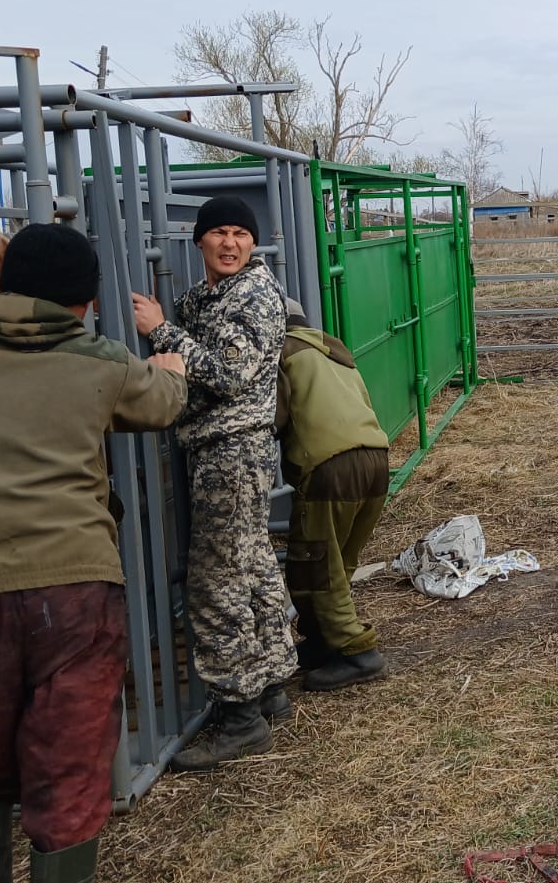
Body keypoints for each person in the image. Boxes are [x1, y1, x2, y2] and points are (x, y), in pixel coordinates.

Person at [0, 222, 187, 883]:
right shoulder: (103, 363)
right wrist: (171, 362)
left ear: (1, 287)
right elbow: (165, 402)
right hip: (76, 593)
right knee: (69, 766)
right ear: (86, 305)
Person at [130, 195, 296, 771]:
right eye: (218, 233)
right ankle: (271, 687)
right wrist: (173, 323)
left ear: (254, 243)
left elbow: (230, 373)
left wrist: (160, 333)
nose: (230, 243)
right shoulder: (207, 297)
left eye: (240, 234)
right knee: (250, 564)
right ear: (198, 241)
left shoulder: (254, 294)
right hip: (221, 449)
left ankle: (239, 715)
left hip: (232, 450)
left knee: (213, 582)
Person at [276, 298, 390, 690]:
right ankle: (326, 641)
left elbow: (272, 417)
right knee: (338, 562)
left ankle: (358, 652)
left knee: (317, 567)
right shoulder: (334, 351)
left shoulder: (281, 353)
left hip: (329, 468)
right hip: (375, 460)